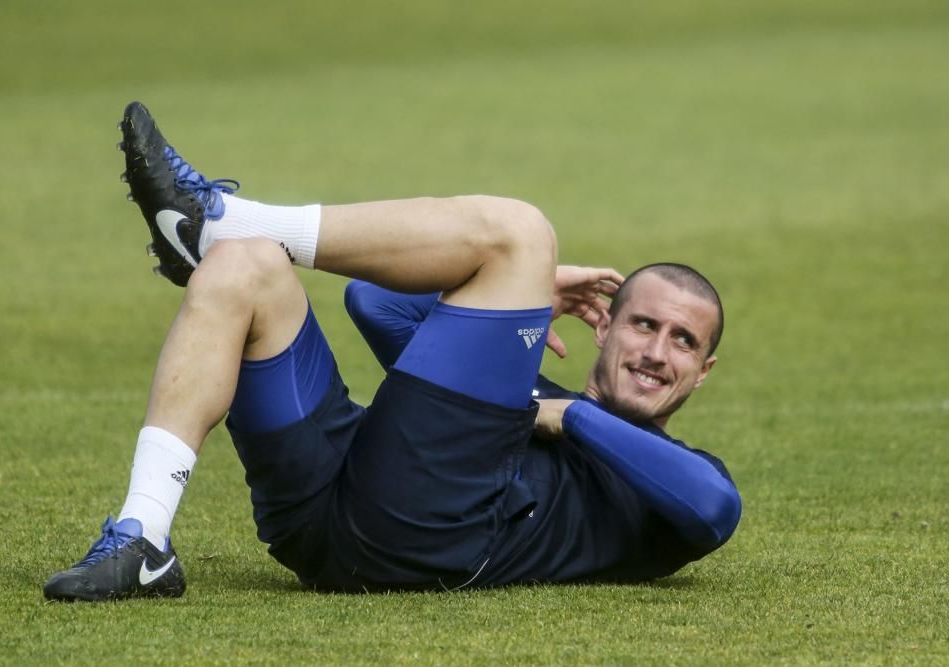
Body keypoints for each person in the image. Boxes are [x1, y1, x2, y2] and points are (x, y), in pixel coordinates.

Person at [43, 102, 741, 601]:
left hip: (438, 538)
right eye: (644, 325)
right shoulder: (506, 390)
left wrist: (560, 415)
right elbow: (375, 305)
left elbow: (714, 508)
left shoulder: (675, 474)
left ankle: (221, 221)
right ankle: (143, 538)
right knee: (243, 271)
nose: (657, 350)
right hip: (323, 520)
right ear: (606, 326)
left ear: (703, 371)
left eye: (684, 341)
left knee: (521, 231)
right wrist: (535, 295)